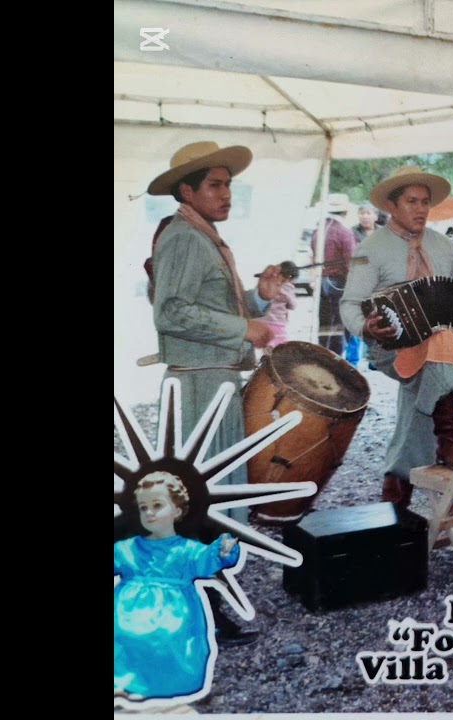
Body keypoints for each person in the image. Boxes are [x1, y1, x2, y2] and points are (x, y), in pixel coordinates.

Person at [147, 140, 275, 643]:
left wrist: (256, 298)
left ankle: (202, 593)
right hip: (198, 381)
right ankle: (195, 606)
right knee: (201, 496)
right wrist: (242, 329)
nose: (225, 195)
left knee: (211, 494)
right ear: (187, 191)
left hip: (212, 377)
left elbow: (207, 304)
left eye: (228, 185)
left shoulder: (203, 237)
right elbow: (170, 312)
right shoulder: (183, 238)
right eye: (215, 186)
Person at [340, 167, 453, 507]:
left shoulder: (442, 245)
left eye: (425, 202)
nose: (421, 209)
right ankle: (451, 438)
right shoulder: (371, 248)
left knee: (427, 376)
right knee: (438, 350)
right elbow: (349, 304)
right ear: (392, 206)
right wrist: (366, 328)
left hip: (437, 348)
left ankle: (396, 496)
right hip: (388, 348)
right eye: (412, 202)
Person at [114, 472, 241, 702]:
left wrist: (222, 552)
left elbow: (206, 561)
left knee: (173, 642)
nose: (149, 512)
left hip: (174, 611)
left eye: (157, 505)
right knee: (123, 636)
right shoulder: (128, 548)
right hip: (127, 611)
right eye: (143, 507)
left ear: (177, 510)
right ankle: (127, 683)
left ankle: (172, 686)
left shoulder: (187, 550)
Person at [315, 193, 362, 362]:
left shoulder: (318, 231)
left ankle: (322, 356)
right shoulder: (344, 232)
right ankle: (335, 359)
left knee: (325, 324)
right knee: (339, 325)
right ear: (344, 212)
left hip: (322, 282)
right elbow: (351, 263)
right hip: (338, 283)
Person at [254, 261, 299, 352]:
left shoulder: (267, 283)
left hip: (262, 322)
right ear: (290, 277)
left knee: (266, 350)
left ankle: (266, 363)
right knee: (278, 351)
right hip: (276, 323)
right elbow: (293, 305)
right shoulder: (287, 287)